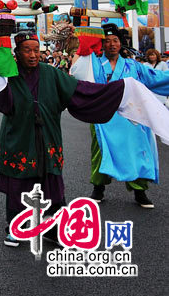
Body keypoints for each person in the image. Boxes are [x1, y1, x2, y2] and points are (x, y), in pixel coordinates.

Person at [0, 30, 169, 246]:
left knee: (51, 184)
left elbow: (80, 90)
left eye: (36, 50)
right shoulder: (9, 75)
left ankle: (52, 228)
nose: (33, 55)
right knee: (18, 184)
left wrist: (119, 90)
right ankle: (16, 226)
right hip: (19, 137)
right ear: (17, 53)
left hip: (48, 136)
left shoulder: (51, 73)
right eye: (26, 51)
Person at [70, 24, 169, 208]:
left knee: (137, 151)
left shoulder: (133, 65)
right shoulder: (94, 63)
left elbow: (155, 78)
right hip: (104, 116)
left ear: (121, 44)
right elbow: (77, 73)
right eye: (107, 42)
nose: (112, 45)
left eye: (115, 41)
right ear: (102, 45)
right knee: (101, 152)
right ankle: (98, 188)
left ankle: (140, 191)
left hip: (131, 118)